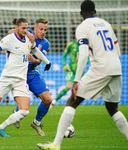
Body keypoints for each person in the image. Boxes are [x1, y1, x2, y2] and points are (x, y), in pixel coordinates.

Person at [37, 0, 128, 149]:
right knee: (113, 108)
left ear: (81, 13)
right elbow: (117, 52)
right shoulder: (106, 24)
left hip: (100, 67)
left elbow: (84, 56)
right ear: (95, 11)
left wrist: (76, 81)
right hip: (117, 68)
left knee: (72, 101)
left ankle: (55, 145)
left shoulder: (82, 27)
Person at [0, 18, 51, 137]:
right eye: (23, 28)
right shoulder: (9, 39)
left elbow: (36, 50)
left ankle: (0, 128)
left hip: (21, 80)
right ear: (17, 28)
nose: (26, 31)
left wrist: (47, 62)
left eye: (27, 28)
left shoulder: (29, 39)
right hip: (7, 78)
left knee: (24, 111)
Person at [9, 18, 52, 136]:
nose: (43, 32)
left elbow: (39, 60)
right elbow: (9, 33)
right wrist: (28, 33)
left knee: (48, 100)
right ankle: (16, 112)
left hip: (32, 72)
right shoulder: (25, 34)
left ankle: (36, 123)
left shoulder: (45, 43)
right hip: (19, 73)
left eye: (45, 30)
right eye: (41, 29)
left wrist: (33, 60)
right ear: (35, 29)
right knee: (25, 102)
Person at [50, 39, 79, 108]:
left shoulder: (85, 45)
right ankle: (55, 101)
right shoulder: (71, 45)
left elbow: (88, 57)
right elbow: (64, 56)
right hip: (71, 69)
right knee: (69, 86)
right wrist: (64, 65)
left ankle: (72, 104)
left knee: (79, 88)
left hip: (80, 70)